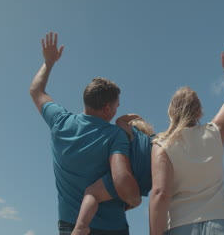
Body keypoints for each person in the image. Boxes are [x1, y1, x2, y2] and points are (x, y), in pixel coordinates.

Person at [29, 32, 140, 235]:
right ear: (107, 107)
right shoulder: (115, 135)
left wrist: (49, 62)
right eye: (116, 106)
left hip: (70, 227)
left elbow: (36, 91)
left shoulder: (60, 121)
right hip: (111, 228)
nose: (117, 110)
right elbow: (122, 178)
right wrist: (134, 198)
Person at [149, 44, 224, 235]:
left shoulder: (162, 145)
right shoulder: (215, 132)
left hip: (180, 225)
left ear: (171, 112)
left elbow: (160, 193)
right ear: (199, 111)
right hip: (222, 222)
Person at [72, 116, 155, 235]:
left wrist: (133, 116)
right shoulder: (153, 143)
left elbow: (119, 121)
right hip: (142, 185)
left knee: (92, 193)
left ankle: (81, 227)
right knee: (134, 201)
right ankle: (124, 205)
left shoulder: (133, 133)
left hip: (126, 176)